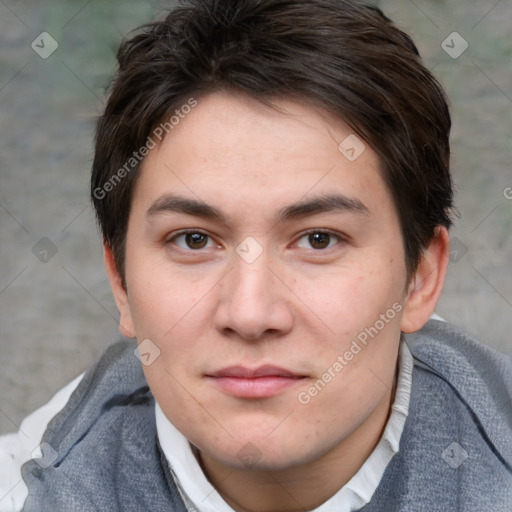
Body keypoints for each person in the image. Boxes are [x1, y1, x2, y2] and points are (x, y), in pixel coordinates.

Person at [1, 0, 511, 510]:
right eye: (194, 240)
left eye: (318, 239)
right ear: (120, 282)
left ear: (420, 276)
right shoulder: (33, 490)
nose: (250, 314)